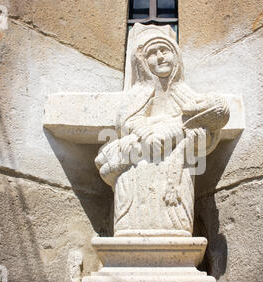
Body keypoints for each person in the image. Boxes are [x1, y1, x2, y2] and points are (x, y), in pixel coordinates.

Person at [95, 24, 229, 237]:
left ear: (176, 56)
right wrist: (147, 133)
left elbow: (205, 128)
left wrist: (198, 138)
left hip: (175, 169)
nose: (160, 57)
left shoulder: (186, 95)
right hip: (138, 165)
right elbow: (128, 119)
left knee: (175, 218)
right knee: (134, 208)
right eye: (152, 53)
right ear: (142, 62)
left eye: (164, 51)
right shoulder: (138, 94)